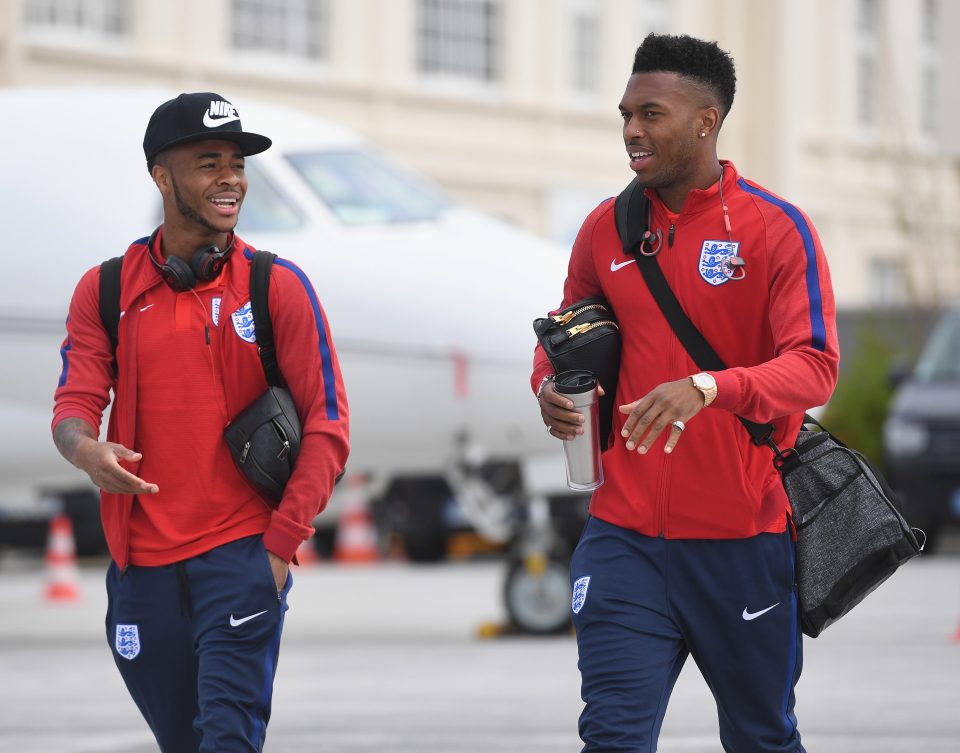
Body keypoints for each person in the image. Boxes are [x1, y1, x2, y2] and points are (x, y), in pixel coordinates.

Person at [533, 34, 839, 752]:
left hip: (742, 543)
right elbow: (564, 342)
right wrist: (548, 386)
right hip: (624, 540)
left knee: (762, 738)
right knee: (612, 737)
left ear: (706, 121)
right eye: (626, 115)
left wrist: (711, 386)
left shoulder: (777, 228)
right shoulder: (603, 229)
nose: (631, 131)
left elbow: (815, 366)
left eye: (651, 114)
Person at [52, 92, 349, 753]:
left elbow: (329, 425)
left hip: (240, 562)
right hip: (142, 578)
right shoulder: (103, 291)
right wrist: (84, 450)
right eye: (209, 161)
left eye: (237, 163)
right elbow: (73, 401)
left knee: (227, 741)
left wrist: (277, 549)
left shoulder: (278, 287)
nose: (231, 179)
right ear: (162, 176)